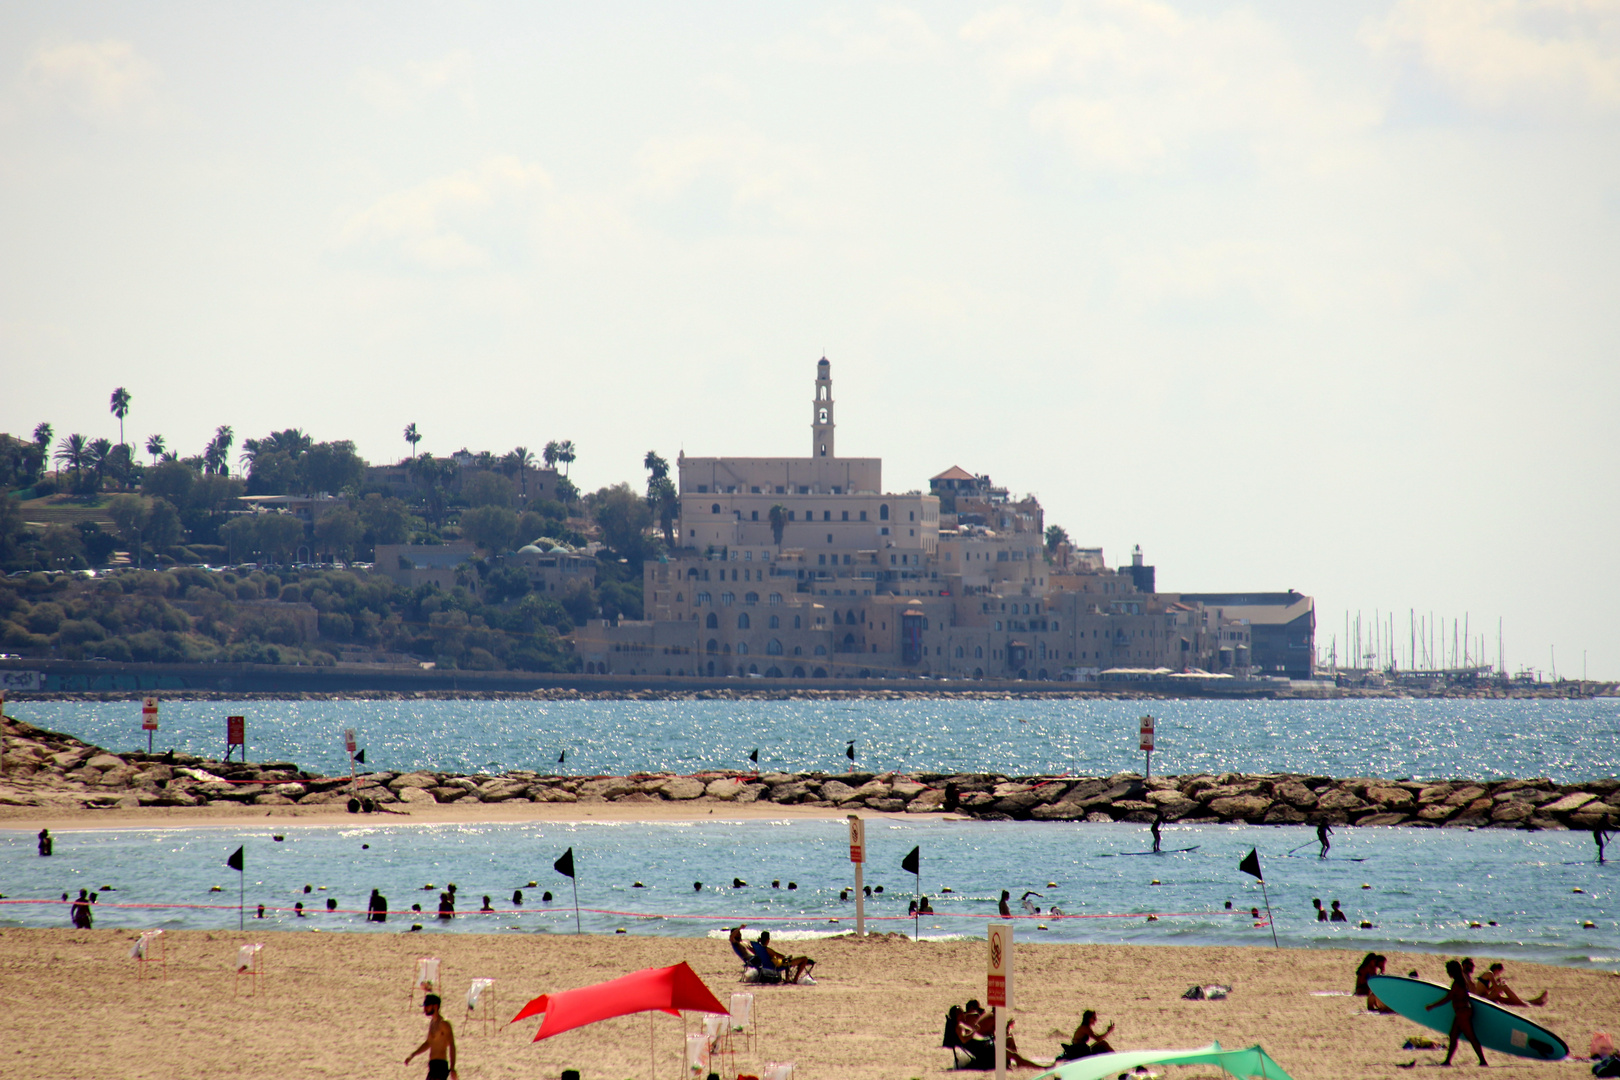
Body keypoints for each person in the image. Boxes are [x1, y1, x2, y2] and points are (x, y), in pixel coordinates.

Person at [1426, 959, 1486, 1067]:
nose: (1447, 972)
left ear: (1452, 971)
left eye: (1448, 970)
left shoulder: (1458, 983)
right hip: (1461, 1012)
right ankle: (1447, 1061)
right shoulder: (1460, 981)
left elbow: (1448, 998)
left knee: (1471, 1037)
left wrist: (1432, 1006)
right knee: (1453, 1035)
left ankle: (1483, 1061)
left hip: (1463, 1013)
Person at [405, 994, 458, 1080]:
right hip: (432, 1066)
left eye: (427, 1006)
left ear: (435, 1006)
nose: (425, 1009)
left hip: (440, 1066)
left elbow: (452, 1045)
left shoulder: (444, 1024)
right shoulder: (432, 1023)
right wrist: (413, 1054)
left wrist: (452, 1068)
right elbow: (428, 1043)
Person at [1477, 962, 1547, 1008]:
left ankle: (1533, 1001)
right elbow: (1497, 988)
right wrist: (1500, 984)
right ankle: (1524, 1004)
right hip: (1482, 999)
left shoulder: (1488, 974)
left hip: (1483, 997)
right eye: (1499, 972)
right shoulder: (1490, 974)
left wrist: (1498, 983)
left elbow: (1488, 989)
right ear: (1496, 970)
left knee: (1506, 999)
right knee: (1504, 987)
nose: (1498, 974)